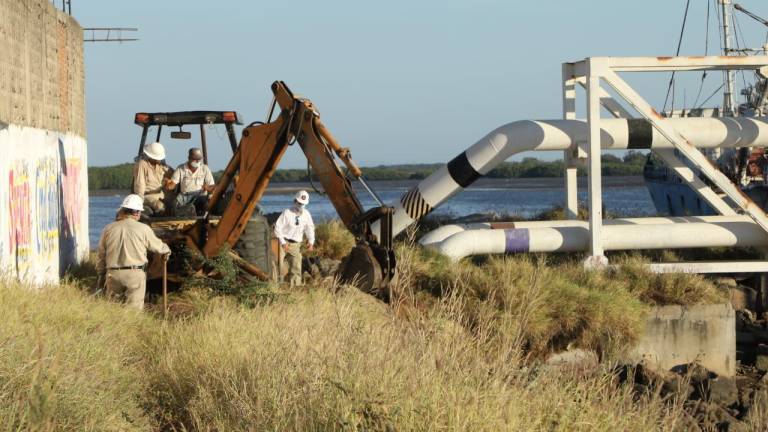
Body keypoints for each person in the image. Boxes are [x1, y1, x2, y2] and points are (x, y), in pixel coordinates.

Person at [95, 194, 171, 310]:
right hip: (135, 276)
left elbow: (101, 255)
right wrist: (167, 250)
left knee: (113, 313)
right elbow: (159, 247)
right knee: (133, 314)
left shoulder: (108, 229)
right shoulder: (143, 229)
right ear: (136, 213)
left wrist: (101, 275)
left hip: (113, 275)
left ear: (123, 210)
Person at [274, 190, 315, 286]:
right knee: (278, 265)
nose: (300, 205)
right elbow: (277, 227)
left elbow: (310, 228)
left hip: (296, 244)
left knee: (296, 268)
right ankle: (276, 286)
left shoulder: (307, 214)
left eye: (303, 204)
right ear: (295, 201)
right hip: (282, 242)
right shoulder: (287, 212)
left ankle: (295, 288)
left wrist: (311, 241)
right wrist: (283, 242)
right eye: (299, 203)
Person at [167, 148, 215, 215]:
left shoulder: (205, 168)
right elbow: (172, 184)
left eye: (199, 159)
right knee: (174, 206)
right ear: (189, 158)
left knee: (207, 204)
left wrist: (208, 188)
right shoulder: (180, 168)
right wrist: (169, 185)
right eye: (195, 159)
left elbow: (212, 186)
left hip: (200, 196)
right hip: (184, 197)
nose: (197, 161)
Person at [133, 141, 173, 216]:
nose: (159, 160)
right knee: (161, 207)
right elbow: (140, 185)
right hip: (147, 196)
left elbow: (173, 175)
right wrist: (138, 204)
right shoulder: (142, 164)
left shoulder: (161, 166)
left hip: (161, 194)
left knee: (175, 204)